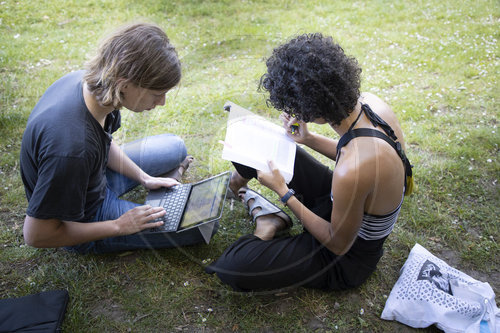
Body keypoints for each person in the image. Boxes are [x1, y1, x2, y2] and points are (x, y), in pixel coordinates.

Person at [206, 33, 413, 291]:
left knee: (232, 266)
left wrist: (283, 193)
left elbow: (338, 243)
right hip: (348, 204)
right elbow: (360, 156)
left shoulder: (352, 170)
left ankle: (268, 222)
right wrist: (308, 138)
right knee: (257, 147)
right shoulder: (371, 104)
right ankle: (238, 186)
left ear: (313, 112)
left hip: (346, 257)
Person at [20, 23, 206, 254]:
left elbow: (103, 142)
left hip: (92, 177)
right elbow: (37, 234)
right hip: (82, 218)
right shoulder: (73, 151)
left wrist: (144, 177)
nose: (162, 103)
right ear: (124, 84)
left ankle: (160, 185)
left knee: (175, 147)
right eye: (157, 94)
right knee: (198, 227)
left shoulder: (94, 88)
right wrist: (119, 226)